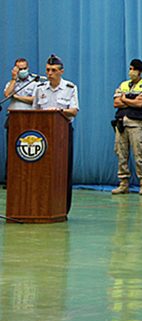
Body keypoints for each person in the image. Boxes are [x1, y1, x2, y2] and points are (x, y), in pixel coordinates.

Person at [33, 54, 79, 211]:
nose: (49, 73)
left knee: (62, 170)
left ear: (61, 71)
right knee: (41, 169)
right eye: (47, 70)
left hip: (62, 133)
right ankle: (41, 204)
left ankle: (62, 207)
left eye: (53, 70)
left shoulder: (70, 88)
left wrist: (59, 111)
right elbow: (34, 112)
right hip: (41, 134)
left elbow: (74, 111)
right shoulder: (39, 89)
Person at [111, 59, 142, 195]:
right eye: (130, 69)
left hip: (136, 124)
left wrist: (124, 99)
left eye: (133, 69)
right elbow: (116, 103)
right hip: (121, 123)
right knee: (121, 154)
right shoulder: (123, 85)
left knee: (139, 153)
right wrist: (131, 101)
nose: (131, 72)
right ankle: (123, 183)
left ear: (140, 72)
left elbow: (140, 103)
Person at [4, 58, 39, 184]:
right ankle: (10, 180)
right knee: (12, 150)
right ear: (15, 69)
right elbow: (7, 94)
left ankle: (28, 178)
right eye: (19, 68)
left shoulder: (35, 83)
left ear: (28, 68)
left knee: (27, 149)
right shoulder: (11, 82)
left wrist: (17, 97)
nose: (22, 71)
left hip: (30, 119)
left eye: (24, 68)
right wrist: (14, 79)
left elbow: (34, 99)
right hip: (13, 119)